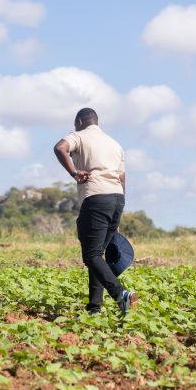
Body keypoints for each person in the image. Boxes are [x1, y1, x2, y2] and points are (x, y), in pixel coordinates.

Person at [53, 108, 138, 314]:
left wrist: (74, 172)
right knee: (97, 255)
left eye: (75, 124)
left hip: (96, 197)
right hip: (117, 199)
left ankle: (121, 295)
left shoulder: (79, 136)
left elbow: (60, 148)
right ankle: (94, 308)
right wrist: (117, 214)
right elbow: (122, 179)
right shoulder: (115, 144)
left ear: (80, 121)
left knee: (91, 255)